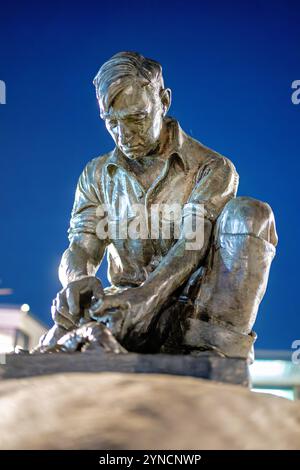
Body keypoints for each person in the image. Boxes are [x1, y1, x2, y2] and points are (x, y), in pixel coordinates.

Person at [40, 52, 278, 359]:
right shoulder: (96, 174)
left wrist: (148, 296)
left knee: (250, 214)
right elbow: (81, 247)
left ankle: (213, 351)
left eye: (136, 118)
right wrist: (77, 281)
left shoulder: (212, 167)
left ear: (163, 101)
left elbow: (192, 243)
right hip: (123, 307)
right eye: (112, 122)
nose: (124, 135)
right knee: (60, 346)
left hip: (190, 312)